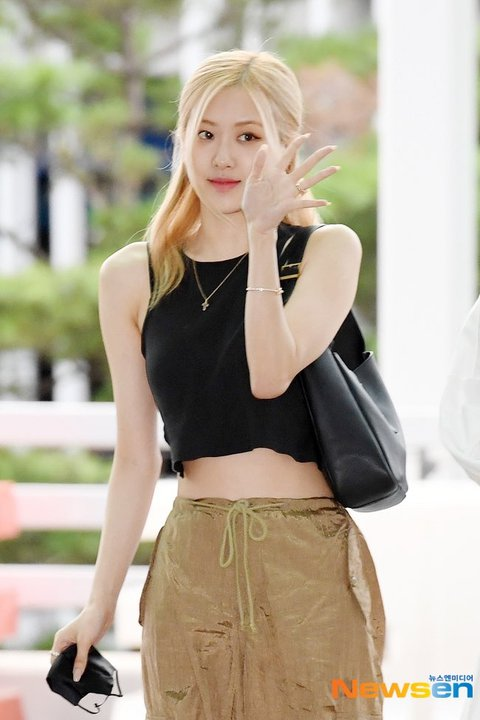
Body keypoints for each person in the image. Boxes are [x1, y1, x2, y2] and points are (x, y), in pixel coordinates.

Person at [51, 49, 385, 719]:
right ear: (181, 140)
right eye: (205, 133)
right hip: (193, 562)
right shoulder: (131, 276)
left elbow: (270, 373)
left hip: (307, 560)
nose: (223, 157)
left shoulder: (327, 252)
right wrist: (98, 603)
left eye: (249, 136)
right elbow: (135, 457)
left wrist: (262, 236)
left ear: (286, 145)